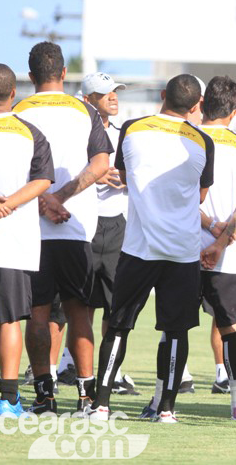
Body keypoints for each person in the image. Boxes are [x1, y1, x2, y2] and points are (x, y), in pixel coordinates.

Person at [85, 74, 214, 423]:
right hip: (183, 251)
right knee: (176, 331)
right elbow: (201, 194)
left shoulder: (132, 127)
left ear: (162, 96)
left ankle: (100, 405)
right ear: (197, 105)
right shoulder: (203, 140)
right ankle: (167, 410)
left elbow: (124, 178)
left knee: (118, 326)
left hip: (138, 248)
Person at [15, 42, 113, 414]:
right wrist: (64, 196)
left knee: (39, 314)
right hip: (76, 230)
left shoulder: (18, 111)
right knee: (79, 313)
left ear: (30, 77)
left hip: (31, 233)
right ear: (64, 73)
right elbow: (102, 163)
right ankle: (87, 396)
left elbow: (14, 173)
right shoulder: (84, 110)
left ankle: (44, 395)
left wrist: (44, 200)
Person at [0, 63, 54, 416]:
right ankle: (8, 399)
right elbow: (43, 180)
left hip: (8, 237)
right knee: (9, 320)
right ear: (14, 93)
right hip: (12, 243)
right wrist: (5, 206)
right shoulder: (30, 132)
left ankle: (9, 398)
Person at [197, 76, 236, 421]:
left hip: (186, 248)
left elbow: (181, 197)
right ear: (234, 112)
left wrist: (209, 227)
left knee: (174, 327)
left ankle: (163, 403)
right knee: (231, 327)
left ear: (202, 104)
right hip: (230, 253)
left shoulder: (187, 140)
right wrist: (222, 239)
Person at [80, 72, 138, 397]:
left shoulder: (124, 131)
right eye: (106, 93)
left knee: (114, 305)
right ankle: (75, 369)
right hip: (87, 222)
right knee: (81, 305)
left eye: (115, 91)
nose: (114, 97)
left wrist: (123, 178)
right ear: (89, 98)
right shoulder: (79, 129)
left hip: (118, 223)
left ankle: (109, 373)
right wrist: (95, 176)